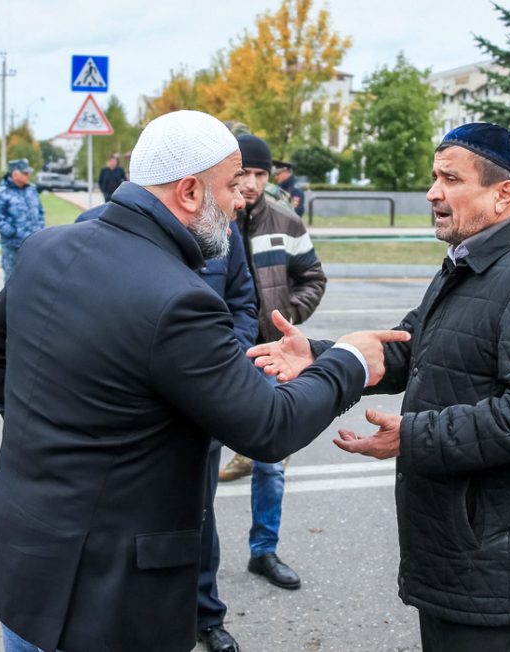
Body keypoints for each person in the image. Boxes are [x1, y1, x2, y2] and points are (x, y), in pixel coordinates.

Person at [0, 109, 409, 652]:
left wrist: (49, 429)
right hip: (103, 601)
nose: (240, 201)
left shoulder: (47, 248)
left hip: (22, 562)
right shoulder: (178, 298)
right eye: (229, 186)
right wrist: (349, 360)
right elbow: (267, 426)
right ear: (188, 192)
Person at [250, 123, 510, 652]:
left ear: (503, 195)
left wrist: (414, 436)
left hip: (494, 557)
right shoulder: (470, 262)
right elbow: (412, 347)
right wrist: (320, 353)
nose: (433, 192)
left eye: (450, 179)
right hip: (454, 547)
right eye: (434, 177)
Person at [76, 203, 255, 652]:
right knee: (116, 520)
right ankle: (112, 614)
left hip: (199, 411)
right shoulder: (94, 226)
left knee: (197, 514)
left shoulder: (221, 232)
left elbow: (243, 305)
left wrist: (216, 370)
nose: (236, 197)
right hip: (127, 417)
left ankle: (205, 614)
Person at [216, 134, 326, 592]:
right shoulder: (209, 220)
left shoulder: (285, 220)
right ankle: (194, 564)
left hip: (272, 356)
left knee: (271, 463)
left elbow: (313, 277)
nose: (253, 184)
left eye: (261, 174)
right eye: (245, 174)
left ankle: (264, 549)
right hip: (216, 357)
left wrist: (286, 318)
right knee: (196, 460)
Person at [0, 158, 45, 282]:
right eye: (25, 173)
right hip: (13, 247)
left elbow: (40, 211)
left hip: (34, 245)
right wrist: (13, 233)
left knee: (33, 280)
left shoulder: (32, 189)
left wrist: (40, 230)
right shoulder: (1, 193)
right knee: (12, 282)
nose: (28, 175)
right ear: (15, 174)